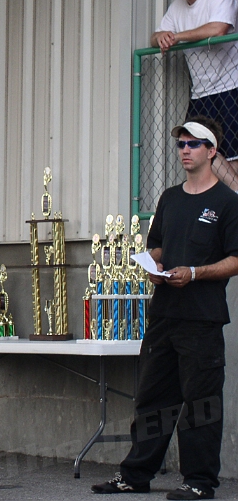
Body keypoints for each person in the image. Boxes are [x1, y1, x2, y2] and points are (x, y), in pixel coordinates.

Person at [92, 117, 238, 500]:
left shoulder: (227, 202)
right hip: (164, 316)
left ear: (212, 151)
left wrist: (196, 272)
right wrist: (154, 267)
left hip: (202, 319)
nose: (185, 150)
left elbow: (236, 259)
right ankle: (136, 475)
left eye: (193, 144)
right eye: (181, 144)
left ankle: (200, 482)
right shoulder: (170, 198)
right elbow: (156, 246)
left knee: (200, 402)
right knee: (153, 397)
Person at [150, 0, 238, 189]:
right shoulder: (176, 7)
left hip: (231, 87)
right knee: (199, 145)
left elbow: (219, 28)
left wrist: (176, 37)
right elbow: (155, 36)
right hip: (201, 92)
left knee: (232, 154)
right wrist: (162, 37)